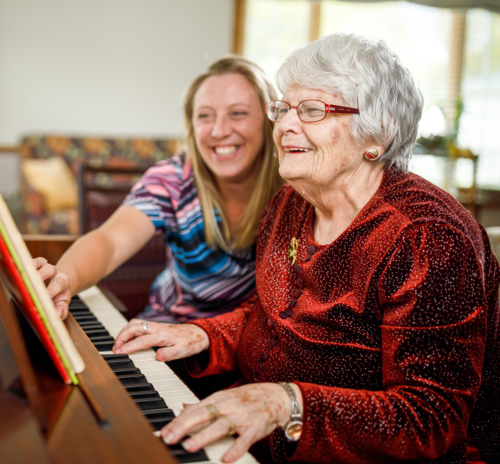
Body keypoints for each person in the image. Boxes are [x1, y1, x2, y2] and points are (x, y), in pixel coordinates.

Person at [111, 33, 500, 464]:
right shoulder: (291, 202)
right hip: (258, 434)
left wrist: (287, 404)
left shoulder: (426, 238)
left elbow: (431, 420)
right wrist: (203, 333)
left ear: (379, 133)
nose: (285, 126)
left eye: (312, 111)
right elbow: (274, 320)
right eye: (283, 109)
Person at [35, 56, 283, 324]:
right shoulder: (172, 180)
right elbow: (110, 241)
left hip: (253, 348)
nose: (219, 130)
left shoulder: (295, 188)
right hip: (167, 339)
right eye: (205, 116)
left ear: (269, 119)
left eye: (238, 113)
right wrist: (64, 278)